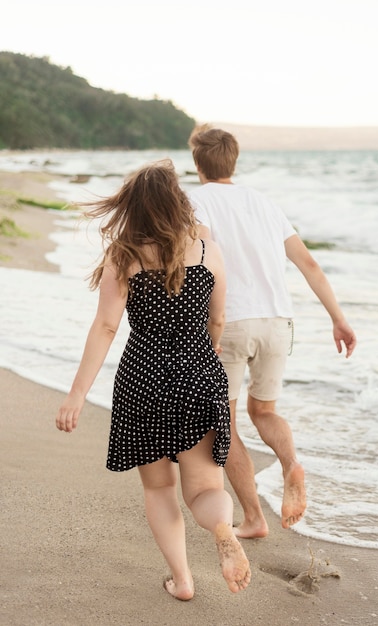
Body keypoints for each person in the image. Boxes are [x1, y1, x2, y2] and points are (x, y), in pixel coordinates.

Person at [55, 159, 251, 600]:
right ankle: (222, 527)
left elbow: (105, 327)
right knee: (205, 488)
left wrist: (76, 395)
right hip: (199, 373)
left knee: (160, 488)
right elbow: (217, 318)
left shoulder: (123, 256)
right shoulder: (206, 250)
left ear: (133, 207)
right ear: (178, 201)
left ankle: (182, 581)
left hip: (143, 378)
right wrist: (206, 349)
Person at [188, 126, 357, 539]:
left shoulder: (195, 200)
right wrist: (338, 318)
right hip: (279, 321)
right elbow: (309, 264)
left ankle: (254, 519)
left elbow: (204, 255)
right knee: (264, 410)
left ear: (197, 163)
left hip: (231, 321)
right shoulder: (264, 202)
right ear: (235, 159)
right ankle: (290, 463)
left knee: (222, 424)